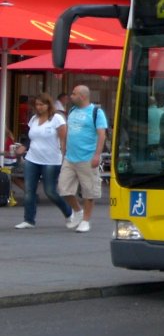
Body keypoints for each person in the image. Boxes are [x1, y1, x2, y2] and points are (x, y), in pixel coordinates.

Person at [13, 93, 74, 229]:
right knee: (29, 190)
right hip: (32, 158)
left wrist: (65, 157)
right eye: (37, 105)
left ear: (48, 105)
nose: (39, 107)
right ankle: (29, 220)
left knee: (50, 191)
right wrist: (24, 146)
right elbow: (30, 137)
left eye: (42, 105)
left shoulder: (57, 119)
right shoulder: (34, 119)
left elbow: (64, 139)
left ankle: (68, 212)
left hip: (51, 160)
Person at [58, 85, 108, 234]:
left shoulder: (96, 112)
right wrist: (64, 148)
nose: (71, 96)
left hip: (87, 157)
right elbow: (68, 131)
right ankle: (78, 211)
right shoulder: (72, 110)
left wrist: (97, 155)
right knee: (63, 188)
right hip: (70, 157)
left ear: (82, 96)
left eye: (74, 94)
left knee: (89, 191)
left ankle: (85, 220)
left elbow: (102, 135)